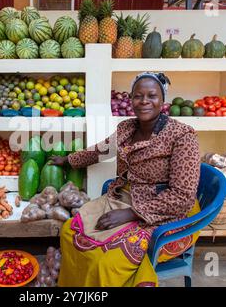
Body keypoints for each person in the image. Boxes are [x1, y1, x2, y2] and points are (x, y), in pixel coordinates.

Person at [50, 72, 201, 287]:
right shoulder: (127, 128)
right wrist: (68, 159)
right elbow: (102, 150)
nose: (145, 101)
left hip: (162, 211)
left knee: (106, 260)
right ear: (131, 99)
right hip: (123, 196)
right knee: (68, 232)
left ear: (163, 100)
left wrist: (131, 214)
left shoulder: (182, 136)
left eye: (152, 95)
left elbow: (183, 196)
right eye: (138, 96)